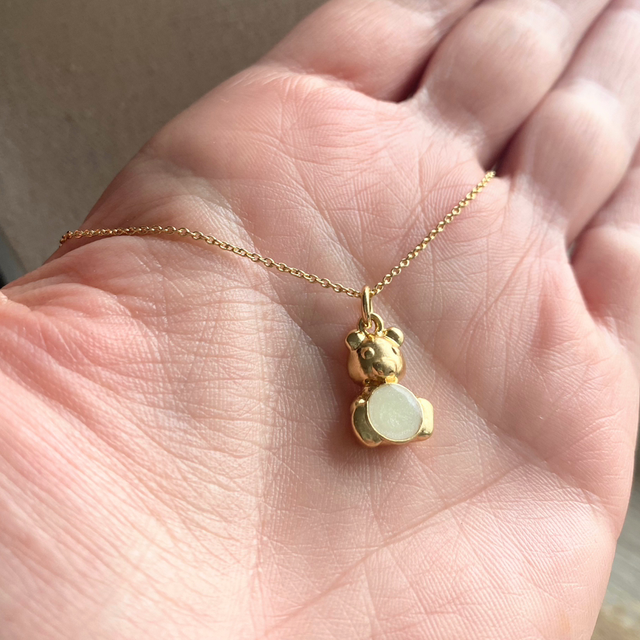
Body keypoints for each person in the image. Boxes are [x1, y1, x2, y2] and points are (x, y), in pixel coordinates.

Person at [1, 0, 639, 637]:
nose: (376, 352)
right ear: (364, 354)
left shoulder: (393, 371)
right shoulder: (364, 387)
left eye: (379, 348)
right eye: (370, 350)